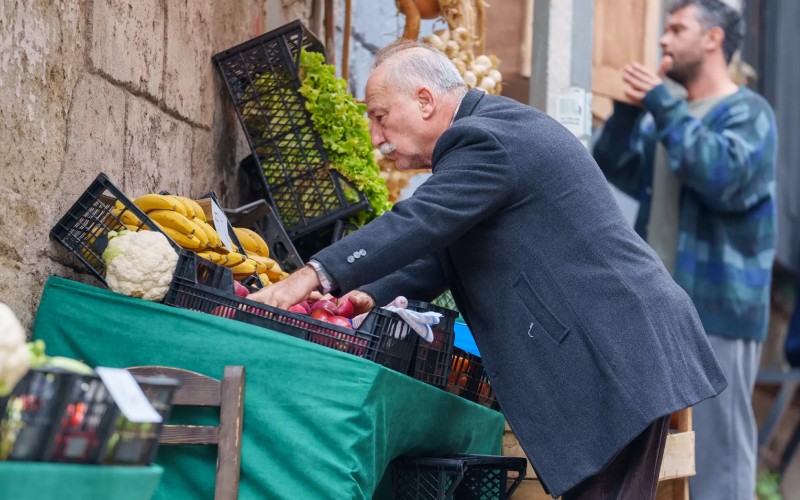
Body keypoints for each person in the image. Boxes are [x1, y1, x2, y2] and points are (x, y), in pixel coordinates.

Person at [248, 39, 727, 499]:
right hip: (619, 342)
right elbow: (440, 250)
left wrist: (311, 275)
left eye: (380, 117)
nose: (377, 138)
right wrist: (371, 292)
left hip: (614, 348)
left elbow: (418, 221)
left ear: (424, 100)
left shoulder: (486, 141)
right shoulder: (489, 132)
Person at [592, 1, 778, 499]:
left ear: (713, 39)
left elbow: (720, 177)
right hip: (661, 310)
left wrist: (661, 102)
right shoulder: (665, 119)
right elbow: (611, 166)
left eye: (677, 29)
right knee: (663, 453)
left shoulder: (749, 113)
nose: (663, 40)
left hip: (718, 313)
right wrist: (631, 111)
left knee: (717, 453)